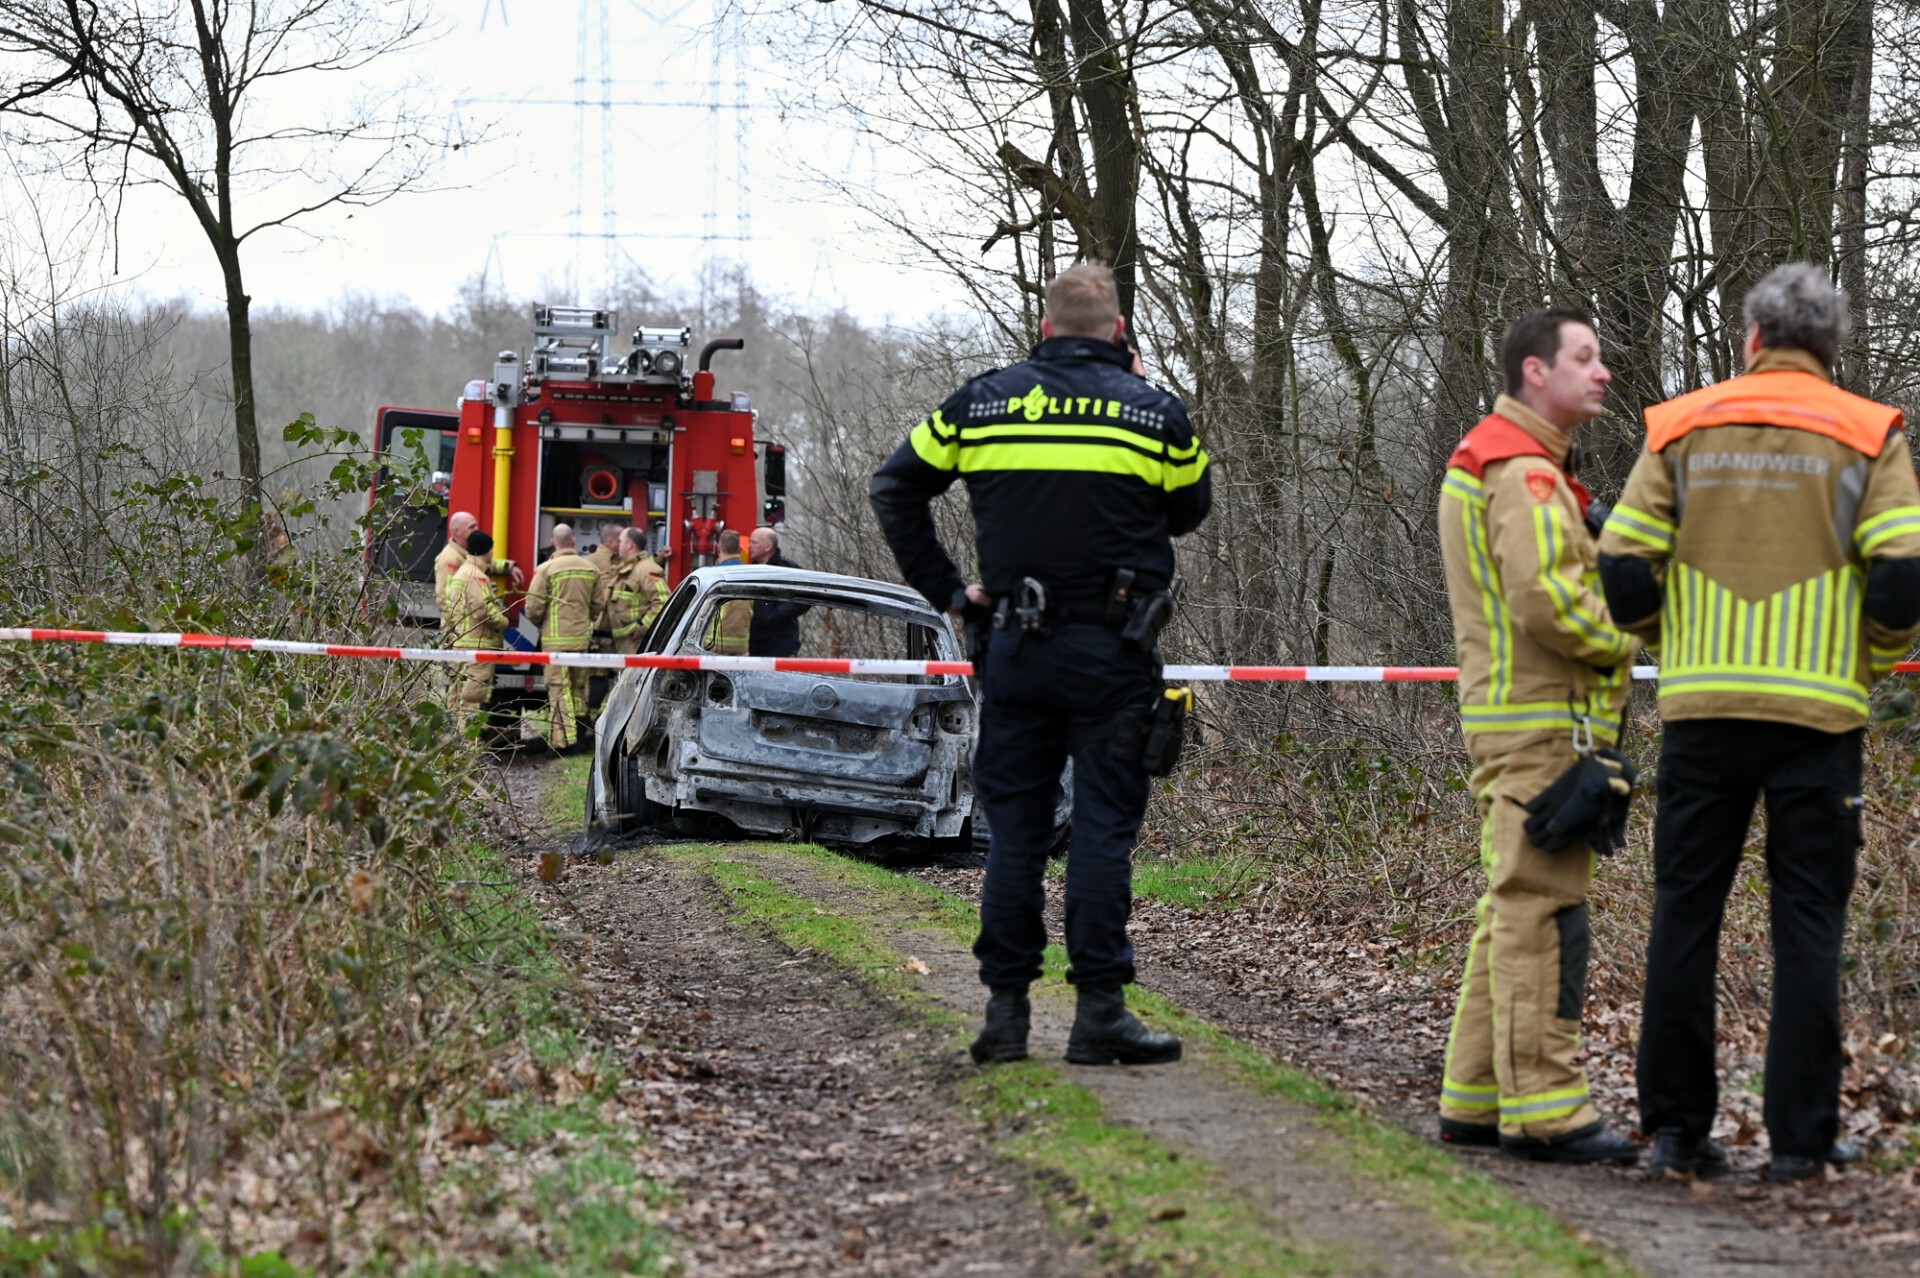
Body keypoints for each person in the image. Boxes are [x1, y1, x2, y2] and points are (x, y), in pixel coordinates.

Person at [1598, 264, 1920, 1181]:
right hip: (1820, 714)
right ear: (1831, 347)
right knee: (1809, 922)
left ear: (1752, 339)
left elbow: (1622, 566)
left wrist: (1669, 638)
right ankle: (1801, 1143)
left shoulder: (1680, 426)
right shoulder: (1869, 433)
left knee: (1684, 914)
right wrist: (1872, 658)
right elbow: (1902, 577)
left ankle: (1675, 1130)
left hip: (1703, 712)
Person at [870, 261, 1211, 1067]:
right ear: (1118, 331)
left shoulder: (984, 402)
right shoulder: (1154, 413)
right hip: (1113, 654)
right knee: (1101, 835)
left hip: (1014, 649)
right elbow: (1188, 512)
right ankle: (1100, 1016)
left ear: (1046, 328)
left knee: (1016, 837)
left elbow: (894, 488)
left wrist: (949, 592)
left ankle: (1006, 1016)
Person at [1433, 306, 1640, 1166]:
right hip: (1543, 721)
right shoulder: (1522, 471)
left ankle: (1475, 1098)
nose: (1603, 372)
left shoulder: (1505, 459)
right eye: (1584, 358)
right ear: (1534, 372)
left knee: (1512, 903)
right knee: (1543, 911)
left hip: (1521, 715)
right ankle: (1546, 1111)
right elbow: (1548, 600)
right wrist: (1632, 635)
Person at [523, 523, 602, 750]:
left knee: (559, 689)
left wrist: (542, 624)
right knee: (578, 689)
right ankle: (581, 737)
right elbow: (598, 604)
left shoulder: (546, 570)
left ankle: (562, 742)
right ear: (573, 541)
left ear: (553, 542)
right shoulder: (591, 569)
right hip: (581, 640)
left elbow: (533, 607)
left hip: (554, 643)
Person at [445, 530, 509, 725]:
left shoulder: (464, 572)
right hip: (478, 646)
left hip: (464, 644)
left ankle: (456, 740)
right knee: (472, 701)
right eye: (492, 550)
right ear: (487, 551)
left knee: (458, 699)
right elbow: (482, 611)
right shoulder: (475, 576)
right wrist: (503, 621)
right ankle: (468, 741)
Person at [434, 511, 524, 617]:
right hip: (463, 625)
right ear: (457, 531)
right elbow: (445, 600)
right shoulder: (450, 559)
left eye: (476, 526)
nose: (477, 529)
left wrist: (508, 567)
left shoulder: (466, 550)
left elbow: (485, 564)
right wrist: (458, 626)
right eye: (472, 527)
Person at [600, 526, 670, 655]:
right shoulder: (625, 568)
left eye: (621, 541)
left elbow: (664, 602)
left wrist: (643, 627)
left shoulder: (646, 569)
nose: (618, 545)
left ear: (630, 545)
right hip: (621, 642)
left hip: (635, 643)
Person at [747, 526, 810, 657]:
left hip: (781, 642)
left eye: (754, 542)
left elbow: (806, 596)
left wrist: (777, 614)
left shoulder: (788, 570)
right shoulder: (750, 570)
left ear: (768, 547)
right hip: (755, 642)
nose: (749, 546)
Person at [704, 529, 753, 654]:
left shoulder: (713, 574)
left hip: (714, 644)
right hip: (741, 646)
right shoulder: (750, 575)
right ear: (740, 549)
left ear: (719, 547)